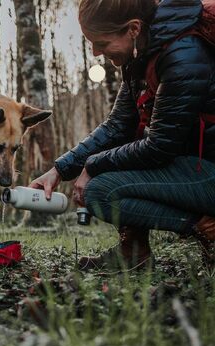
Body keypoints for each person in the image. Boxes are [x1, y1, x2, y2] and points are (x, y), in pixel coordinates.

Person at [30, 0, 215, 271]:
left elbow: (159, 147)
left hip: (208, 167)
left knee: (100, 191)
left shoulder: (182, 55)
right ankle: (134, 251)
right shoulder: (143, 54)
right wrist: (59, 169)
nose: (94, 52)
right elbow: (118, 126)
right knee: (113, 167)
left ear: (133, 29)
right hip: (198, 164)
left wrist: (93, 165)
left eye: (101, 43)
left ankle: (207, 227)